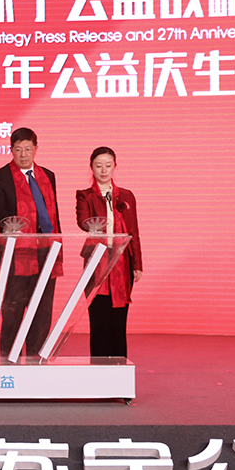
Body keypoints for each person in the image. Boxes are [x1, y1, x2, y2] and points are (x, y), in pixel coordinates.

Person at [0, 127, 63, 358]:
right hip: (18, 250)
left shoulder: (48, 175)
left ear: (36, 149)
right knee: (14, 307)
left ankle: (35, 360)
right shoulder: (1, 175)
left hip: (46, 249)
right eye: (18, 149)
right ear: (11, 150)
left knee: (42, 308)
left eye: (28, 149)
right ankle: (9, 360)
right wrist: (7, 222)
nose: (23, 154)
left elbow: (53, 212)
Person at [75, 146, 143, 357]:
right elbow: (83, 221)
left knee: (118, 321)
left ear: (115, 166)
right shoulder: (85, 196)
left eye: (108, 165)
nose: (103, 170)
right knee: (99, 321)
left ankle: (119, 370)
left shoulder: (127, 196)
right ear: (91, 167)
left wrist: (137, 264)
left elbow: (133, 232)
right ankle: (99, 371)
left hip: (122, 263)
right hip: (97, 262)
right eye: (98, 165)